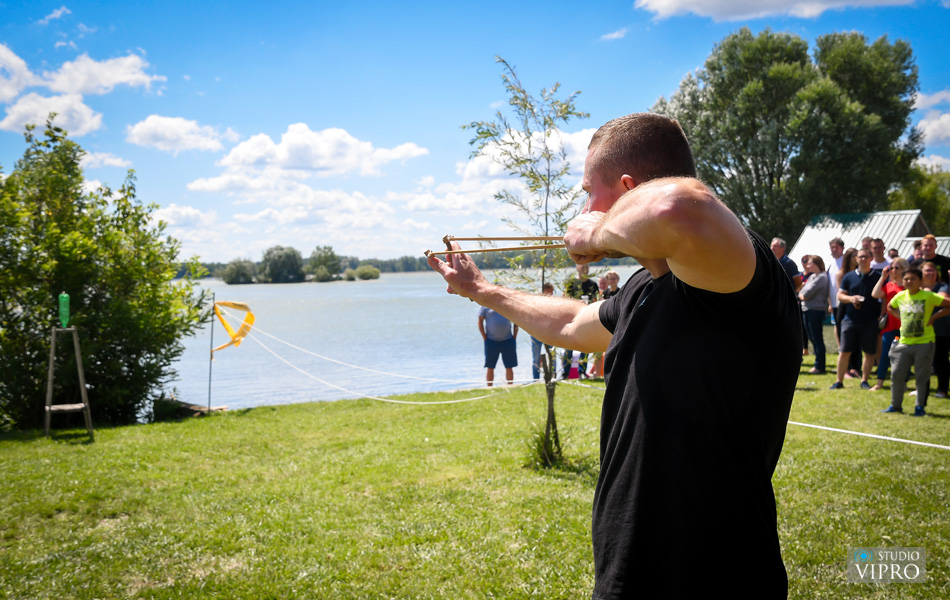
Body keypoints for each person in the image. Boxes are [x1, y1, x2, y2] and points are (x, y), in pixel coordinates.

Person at [427, 112, 800, 598]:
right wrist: (482, 289)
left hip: (720, 576)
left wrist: (597, 231)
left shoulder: (737, 270)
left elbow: (675, 208)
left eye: (589, 193)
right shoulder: (645, 285)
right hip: (628, 574)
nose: (583, 208)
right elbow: (569, 323)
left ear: (628, 190)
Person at [881, 267, 950, 416]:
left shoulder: (928, 296)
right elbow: (890, 307)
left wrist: (934, 317)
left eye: (913, 279)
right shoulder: (900, 296)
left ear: (920, 281)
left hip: (924, 343)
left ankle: (919, 407)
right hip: (904, 342)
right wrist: (901, 318)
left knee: (921, 376)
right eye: (906, 279)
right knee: (897, 374)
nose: (909, 281)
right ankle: (895, 406)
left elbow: (948, 304)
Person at [831, 250, 881, 390]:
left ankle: (864, 381)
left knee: (869, 353)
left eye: (866, 256)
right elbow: (840, 296)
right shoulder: (849, 276)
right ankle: (839, 381)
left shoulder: (877, 277)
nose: (863, 259)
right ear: (856, 259)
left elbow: (883, 297)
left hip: (870, 320)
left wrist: (881, 315)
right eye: (860, 257)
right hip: (850, 320)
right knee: (844, 351)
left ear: (871, 258)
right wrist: (851, 299)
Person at [869, 259, 908, 391]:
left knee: (904, 356)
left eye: (897, 267)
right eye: (892, 268)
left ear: (904, 269)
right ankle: (879, 383)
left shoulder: (909, 286)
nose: (894, 270)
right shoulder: (890, 285)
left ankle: (904, 382)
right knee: (885, 354)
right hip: (890, 324)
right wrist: (883, 277)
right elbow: (875, 294)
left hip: (905, 325)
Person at [561, 263, 600, 379]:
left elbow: (596, 300)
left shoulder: (592, 285)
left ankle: (582, 371)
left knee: (585, 345)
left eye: (587, 267)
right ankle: (565, 372)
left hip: (586, 318)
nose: (585, 269)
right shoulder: (571, 284)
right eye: (582, 267)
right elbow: (565, 300)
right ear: (577, 268)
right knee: (568, 345)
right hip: (571, 319)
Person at [799, 255, 829, 373]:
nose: (808, 265)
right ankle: (818, 363)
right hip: (807, 310)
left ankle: (820, 365)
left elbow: (806, 294)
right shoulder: (812, 276)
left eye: (810, 263)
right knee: (812, 337)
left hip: (815, 311)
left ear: (817, 264)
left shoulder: (822, 277)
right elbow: (801, 291)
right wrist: (802, 294)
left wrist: (802, 295)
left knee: (817, 338)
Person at [477, 306, 517, 386]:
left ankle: (510, 386)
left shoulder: (507, 305)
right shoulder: (485, 305)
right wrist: (484, 337)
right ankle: (490, 387)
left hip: (508, 340)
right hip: (491, 341)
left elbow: (516, 321)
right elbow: (480, 321)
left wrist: (514, 336)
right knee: (490, 366)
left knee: (509, 366)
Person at [530, 283, 555, 380]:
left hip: (550, 333)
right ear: (545, 290)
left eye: (552, 291)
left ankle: (552, 377)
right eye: (550, 291)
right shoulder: (536, 301)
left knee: (552, 357)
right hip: (536, 333)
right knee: (536, 358)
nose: (552, 293)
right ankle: (536, 379)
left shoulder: (554, 303)